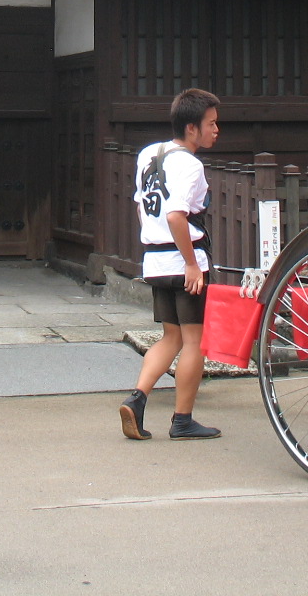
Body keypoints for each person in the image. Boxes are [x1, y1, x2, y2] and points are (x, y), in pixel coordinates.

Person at [119, 88, 223, 441]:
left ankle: (137, 399)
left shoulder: (149, 153)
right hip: (183, 260)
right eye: (210, 123)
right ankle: (182, 420)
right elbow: (178, 215)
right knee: (194, 342)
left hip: (155, 260)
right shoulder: (190, 165)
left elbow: (140, 205)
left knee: (170, 336)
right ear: (191, 128)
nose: (216, 130)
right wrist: (192, 265)